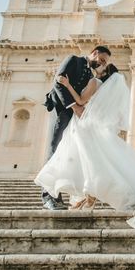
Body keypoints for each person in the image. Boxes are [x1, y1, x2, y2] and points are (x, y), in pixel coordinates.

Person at [35, 57, 135, 229]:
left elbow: (80, 102)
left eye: (103, 64)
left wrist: (68, 85)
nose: (99, 66)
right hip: (92, 126)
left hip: (84, 124)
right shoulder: (104, 86)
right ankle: (80, 198)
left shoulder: (94, 82)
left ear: (104, 72)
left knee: (77, 159)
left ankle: (62, 194)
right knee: (92, 162)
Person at [41, 46, 113, 210]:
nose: (101, 64)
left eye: (104, 62)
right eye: (101, 60)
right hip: (61, 110)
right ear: (94, 53)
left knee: (64, 154)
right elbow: (58, 83)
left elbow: (81, 96)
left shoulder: (90, 73)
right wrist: (74, 107)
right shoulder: (73, 60)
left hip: (74, 115)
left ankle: (57, 197)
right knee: (54, 150)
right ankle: (48, 196)